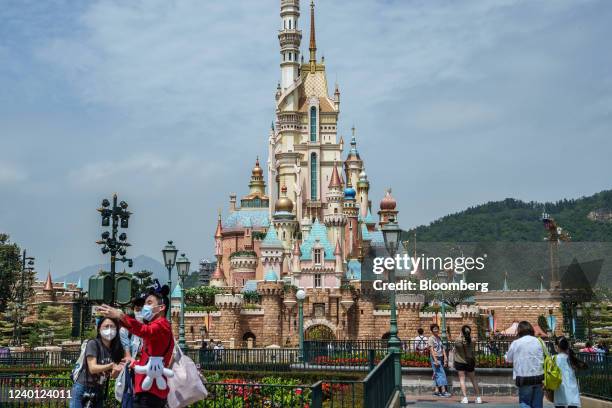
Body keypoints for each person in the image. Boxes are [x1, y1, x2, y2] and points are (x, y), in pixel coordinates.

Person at [99, 281, 174, 408]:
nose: (145, 307)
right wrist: (134, 363)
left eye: (149, 303)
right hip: (149, 391)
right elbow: (150, 362)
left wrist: (120, 315)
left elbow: (144, 331)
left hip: (150, 393)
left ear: (161, 307)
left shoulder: (162, 325)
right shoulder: (159, 327)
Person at [70, 317, 125, 408]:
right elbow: (92, 368)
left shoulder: (114, 349)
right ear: (99, 329)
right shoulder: (93, 344)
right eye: (106, 326)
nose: (109, 329)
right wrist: (112, 365)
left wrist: (119, 369)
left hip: (98, 389)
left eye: (112, 327)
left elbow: (113, 375)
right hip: (83, 388)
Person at [505, 321, 544, 408]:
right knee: (537, 404)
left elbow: (508, 359)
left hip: (524, 377)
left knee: (525, 402)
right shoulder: (539, 341)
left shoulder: (516, 343)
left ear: (519, 331)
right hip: (539, 376)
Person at [554, 336, 587, 408]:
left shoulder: (553, 358)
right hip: (572, 391)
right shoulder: (571, 358)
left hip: (559, 390)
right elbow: (583, 366)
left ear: (556, 346)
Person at [454, 325, 482, 404]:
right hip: (470, 361)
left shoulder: (457, 340)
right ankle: (478, 397)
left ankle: (465, 398)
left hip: (460, 361)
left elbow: (456, 347)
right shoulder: (473, 340)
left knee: (462, 379)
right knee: (473, 379)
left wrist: (460, 335)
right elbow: (473, 347)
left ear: (462, 332)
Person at [428, 323, 451, 398]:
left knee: (437, 374)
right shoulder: (431, 339)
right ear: (432, 330)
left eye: (437, 328)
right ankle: (443, 391)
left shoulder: (439, 338)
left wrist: (445, 358)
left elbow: (442, 348)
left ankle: (436, 391)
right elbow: (431, 350)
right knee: (441, 374)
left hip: (440, 357)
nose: (436, 330)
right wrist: (435, 360)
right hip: (435, 358)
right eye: (434, 329)